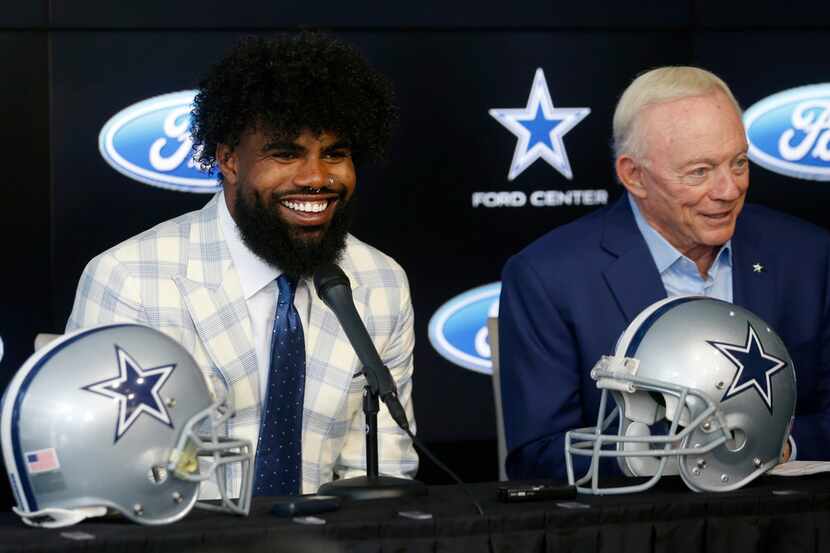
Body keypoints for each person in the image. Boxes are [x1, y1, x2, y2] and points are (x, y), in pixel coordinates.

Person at [67, 34, 417, 496]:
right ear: (229, 159)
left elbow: (380, 472)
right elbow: (97, 473)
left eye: (335, 153)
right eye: (285, 153)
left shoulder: (380, 282)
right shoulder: (130, 278)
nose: (316, 177)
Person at [499, 66, 830, 482]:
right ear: (633, 175)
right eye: (700, 172)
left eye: (739, 163)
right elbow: (540, 455)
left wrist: (773, 446)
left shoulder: (809, 256)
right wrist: (685, 456)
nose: (728, 190)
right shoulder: (548, 278)